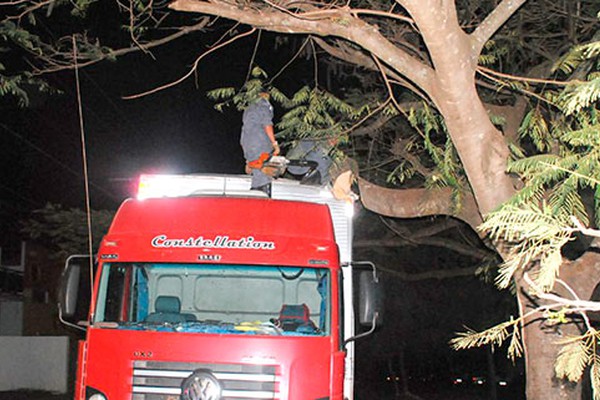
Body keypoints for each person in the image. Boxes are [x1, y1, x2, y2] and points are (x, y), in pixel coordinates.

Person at [240, 91, 280, 194]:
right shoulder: (264, 105)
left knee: (257, 173)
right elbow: (267, 125)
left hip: (247, 143)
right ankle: (262, 197)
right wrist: (274, 144)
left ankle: (254, 194)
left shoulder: (249, 108)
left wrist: (248, 159)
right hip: (259, 143)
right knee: (264, 172)